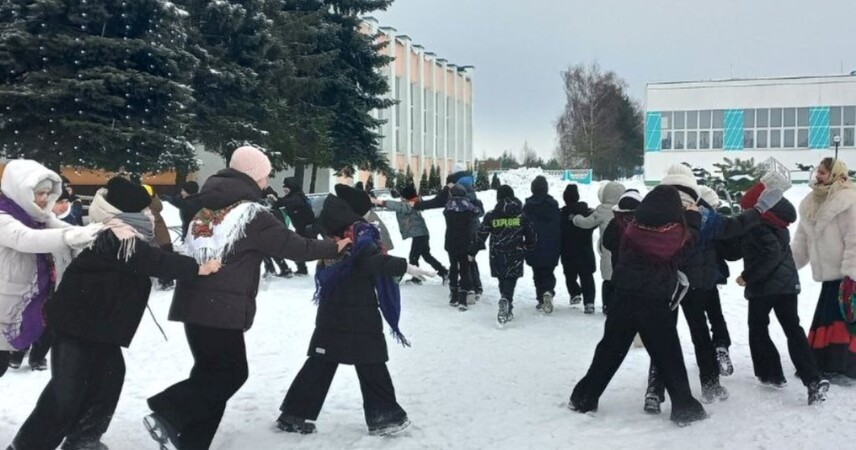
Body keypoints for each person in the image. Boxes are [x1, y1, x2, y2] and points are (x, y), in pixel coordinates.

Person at [145, 146, 349, 450]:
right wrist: (336, 247)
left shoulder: (205, 208)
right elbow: (293, 247)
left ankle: (191, 442)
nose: (267, 184)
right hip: (220, 307)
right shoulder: (250, 214)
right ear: (253, 176)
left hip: (193, 301)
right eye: (265, 177)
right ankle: (168, 412)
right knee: (232, 373)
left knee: (210, 376)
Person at [9, 177, 222, 450]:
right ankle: (28, 445)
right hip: (78, 325)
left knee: (108, 381)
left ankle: (83, 440)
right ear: (128, 212)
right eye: (143, 210)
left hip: (100, 329)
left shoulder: (121, 231)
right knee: (67, 392)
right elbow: (151, 260)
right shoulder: (115, 235)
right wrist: (198, 267)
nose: (149, 214)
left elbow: (146, 257)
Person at [275, 190, 433, 437]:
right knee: (370, 360)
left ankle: (294, 413)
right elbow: (371, 261)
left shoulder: (332, 224)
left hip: (334, 305)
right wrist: (406, 267)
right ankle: (385, 416)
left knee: (324, 361)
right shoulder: (360, 231)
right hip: (357, 308)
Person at [569, 185, 707, 426]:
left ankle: (584, 397)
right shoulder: (672, 234)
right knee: (668, 355)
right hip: (654, 302)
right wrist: (693, 217)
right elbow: (686, 246)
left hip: (623, 295)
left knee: (610, 350)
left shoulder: (633, 228)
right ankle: (685, 407)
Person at [1, 160, 102, 377]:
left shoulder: (38, 216)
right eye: (39, 193)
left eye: (48, 193)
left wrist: (92, 233)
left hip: (24, 295)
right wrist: (69, 237)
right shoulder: (3, 216)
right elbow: (25, 239)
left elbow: (63, 229)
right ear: (21, 190)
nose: (45, 198)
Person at [736, 182, 830, 404]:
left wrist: (747, 276)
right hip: (787, 286)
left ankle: (771, 373)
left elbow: (770, 255)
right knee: (792, 329)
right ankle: (813, 378)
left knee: (758, 328)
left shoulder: (759, 226)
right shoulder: (777, 223)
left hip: (764, 287)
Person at [792, 157, 856, 384]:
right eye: (817, 171)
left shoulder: (848, 200)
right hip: (828, 275)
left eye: (823, 172)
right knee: (828, 320)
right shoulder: (811, 202)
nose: (818, 175)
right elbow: (801, 241)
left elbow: (854, 239)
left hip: (846, 274)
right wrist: (789, 266)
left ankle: (843, 366)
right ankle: (825, 362)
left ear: (836, 175)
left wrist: (851, 273)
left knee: (844, 321)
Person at [470, 185, 536, 324]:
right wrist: (528, 245)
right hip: (515, 253)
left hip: (497, 254)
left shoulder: (491, 215)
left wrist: (472, 251)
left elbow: (481, 235)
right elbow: (531, 234)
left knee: (502, 278)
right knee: (511, 279)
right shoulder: (521, 215)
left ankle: (506, 303)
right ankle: (506, 300)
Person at [372, 184, 448, 284]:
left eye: (402, 196)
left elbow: (398, 206)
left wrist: (380, 202)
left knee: (413, 256)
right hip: (421, 235)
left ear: (407, 197)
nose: (400, 198)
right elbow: (397, 205)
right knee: (426, 255)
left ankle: (416, 278)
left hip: (419, 235)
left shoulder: (410, 204)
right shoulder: (411, 203)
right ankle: (443, 272)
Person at [571, 181, 625, 314]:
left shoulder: (603, 209)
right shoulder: (626, 210)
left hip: (608, 250)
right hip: (625, 250)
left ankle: (607, 305)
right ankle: (621, 306)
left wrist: (575, 218)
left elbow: (587, 223)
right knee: (622, 281)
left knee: (608, 279)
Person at [523, 175, 560, 313]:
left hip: (533, 244)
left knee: (537, 272)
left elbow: (524, 225)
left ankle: (540, 298)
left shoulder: (528, 206)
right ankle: (548, 291)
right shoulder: (553, 205)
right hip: (551, 245)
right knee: (549, 272)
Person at [559, 184, 596, 310]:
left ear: (565, 198)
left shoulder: (562, 214)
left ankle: (574, 293)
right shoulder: (586, 213)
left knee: (570, 275)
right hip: (585, 251)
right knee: (587, 277)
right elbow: (593, 224)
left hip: (568, 252)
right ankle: (589, 302)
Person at [273, 177, 318, 276]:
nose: (284, 189)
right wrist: (273, 198)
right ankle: (301, 268)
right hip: (300, 228)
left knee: (300, 248)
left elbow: (290, 202)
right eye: (284, 187)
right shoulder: (290, 196)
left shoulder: (298, 196)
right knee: (295, 248)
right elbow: (280, 203)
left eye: (286, 187)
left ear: (292, 187)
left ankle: (303, 268)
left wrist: (278, 199)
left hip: (307, 229)